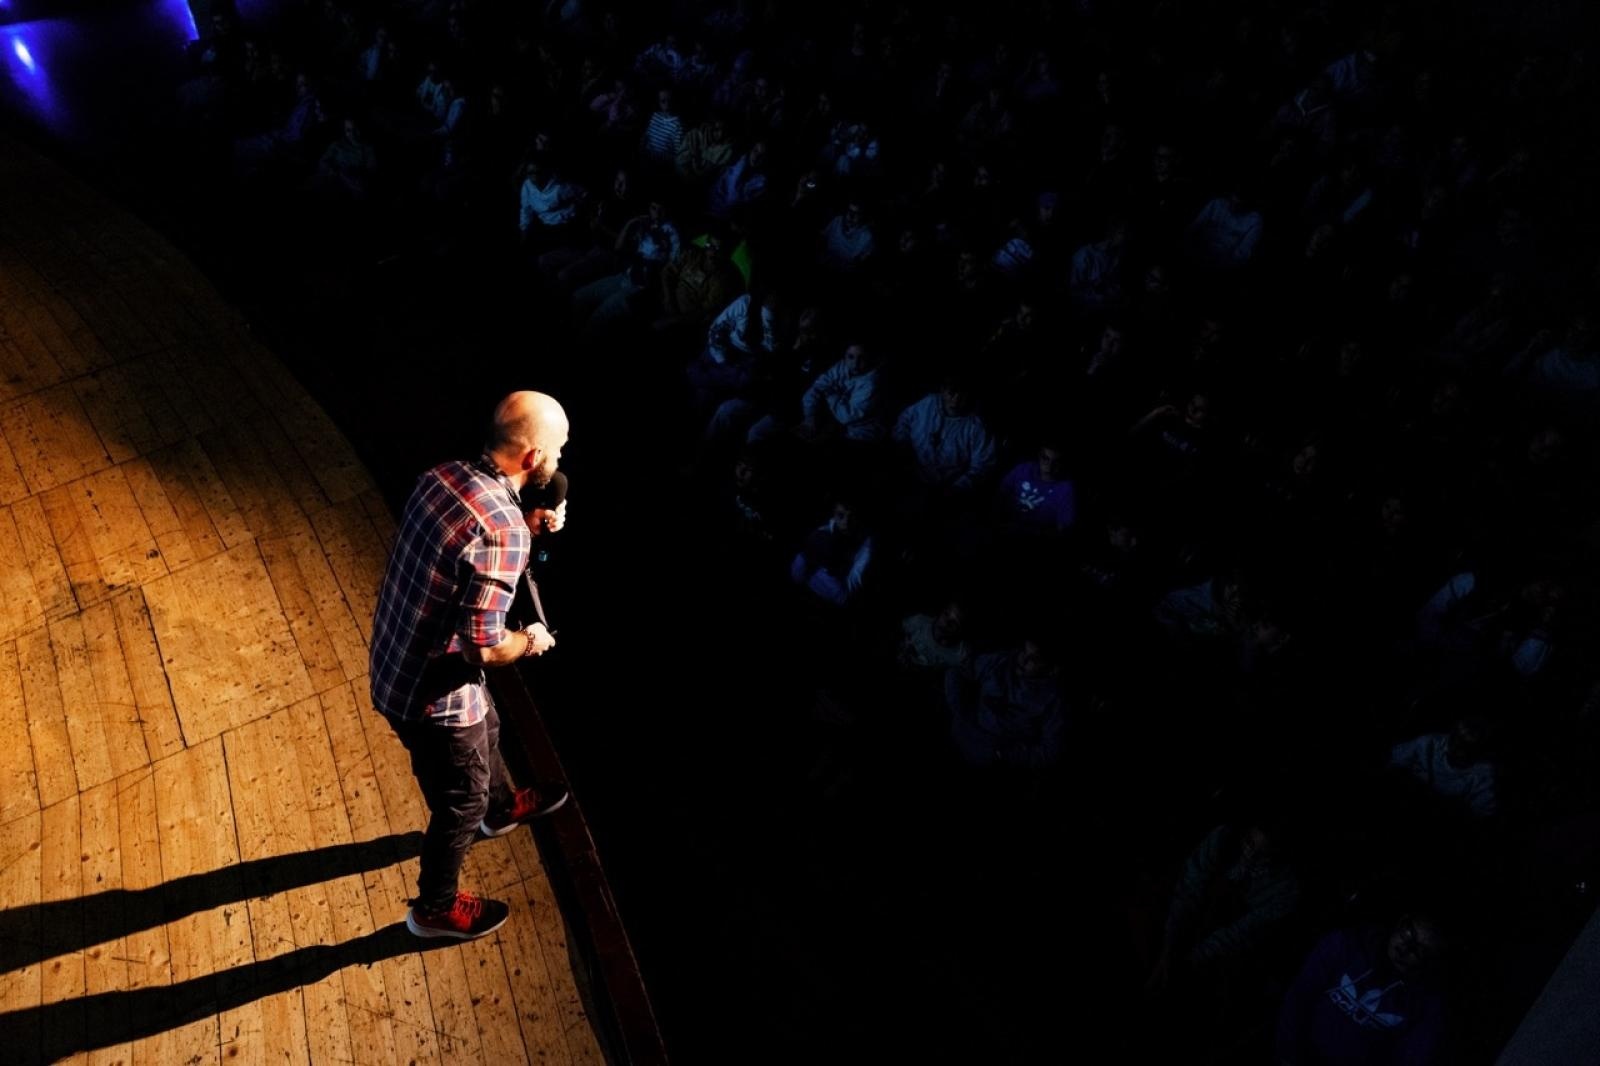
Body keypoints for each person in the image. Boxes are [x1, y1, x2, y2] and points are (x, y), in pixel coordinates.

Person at [370, 392, 574, 940]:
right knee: (458, 800)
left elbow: (462, 565)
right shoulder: (502, 529)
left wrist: (528, 530)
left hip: (394, 659)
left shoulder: (441, 476)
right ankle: (433, 909)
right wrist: (531, 641)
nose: (559, 461)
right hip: (430, 694)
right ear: (533, 458)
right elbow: (481, 650)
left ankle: (502, 808)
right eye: (557, 450)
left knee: (490, 728)